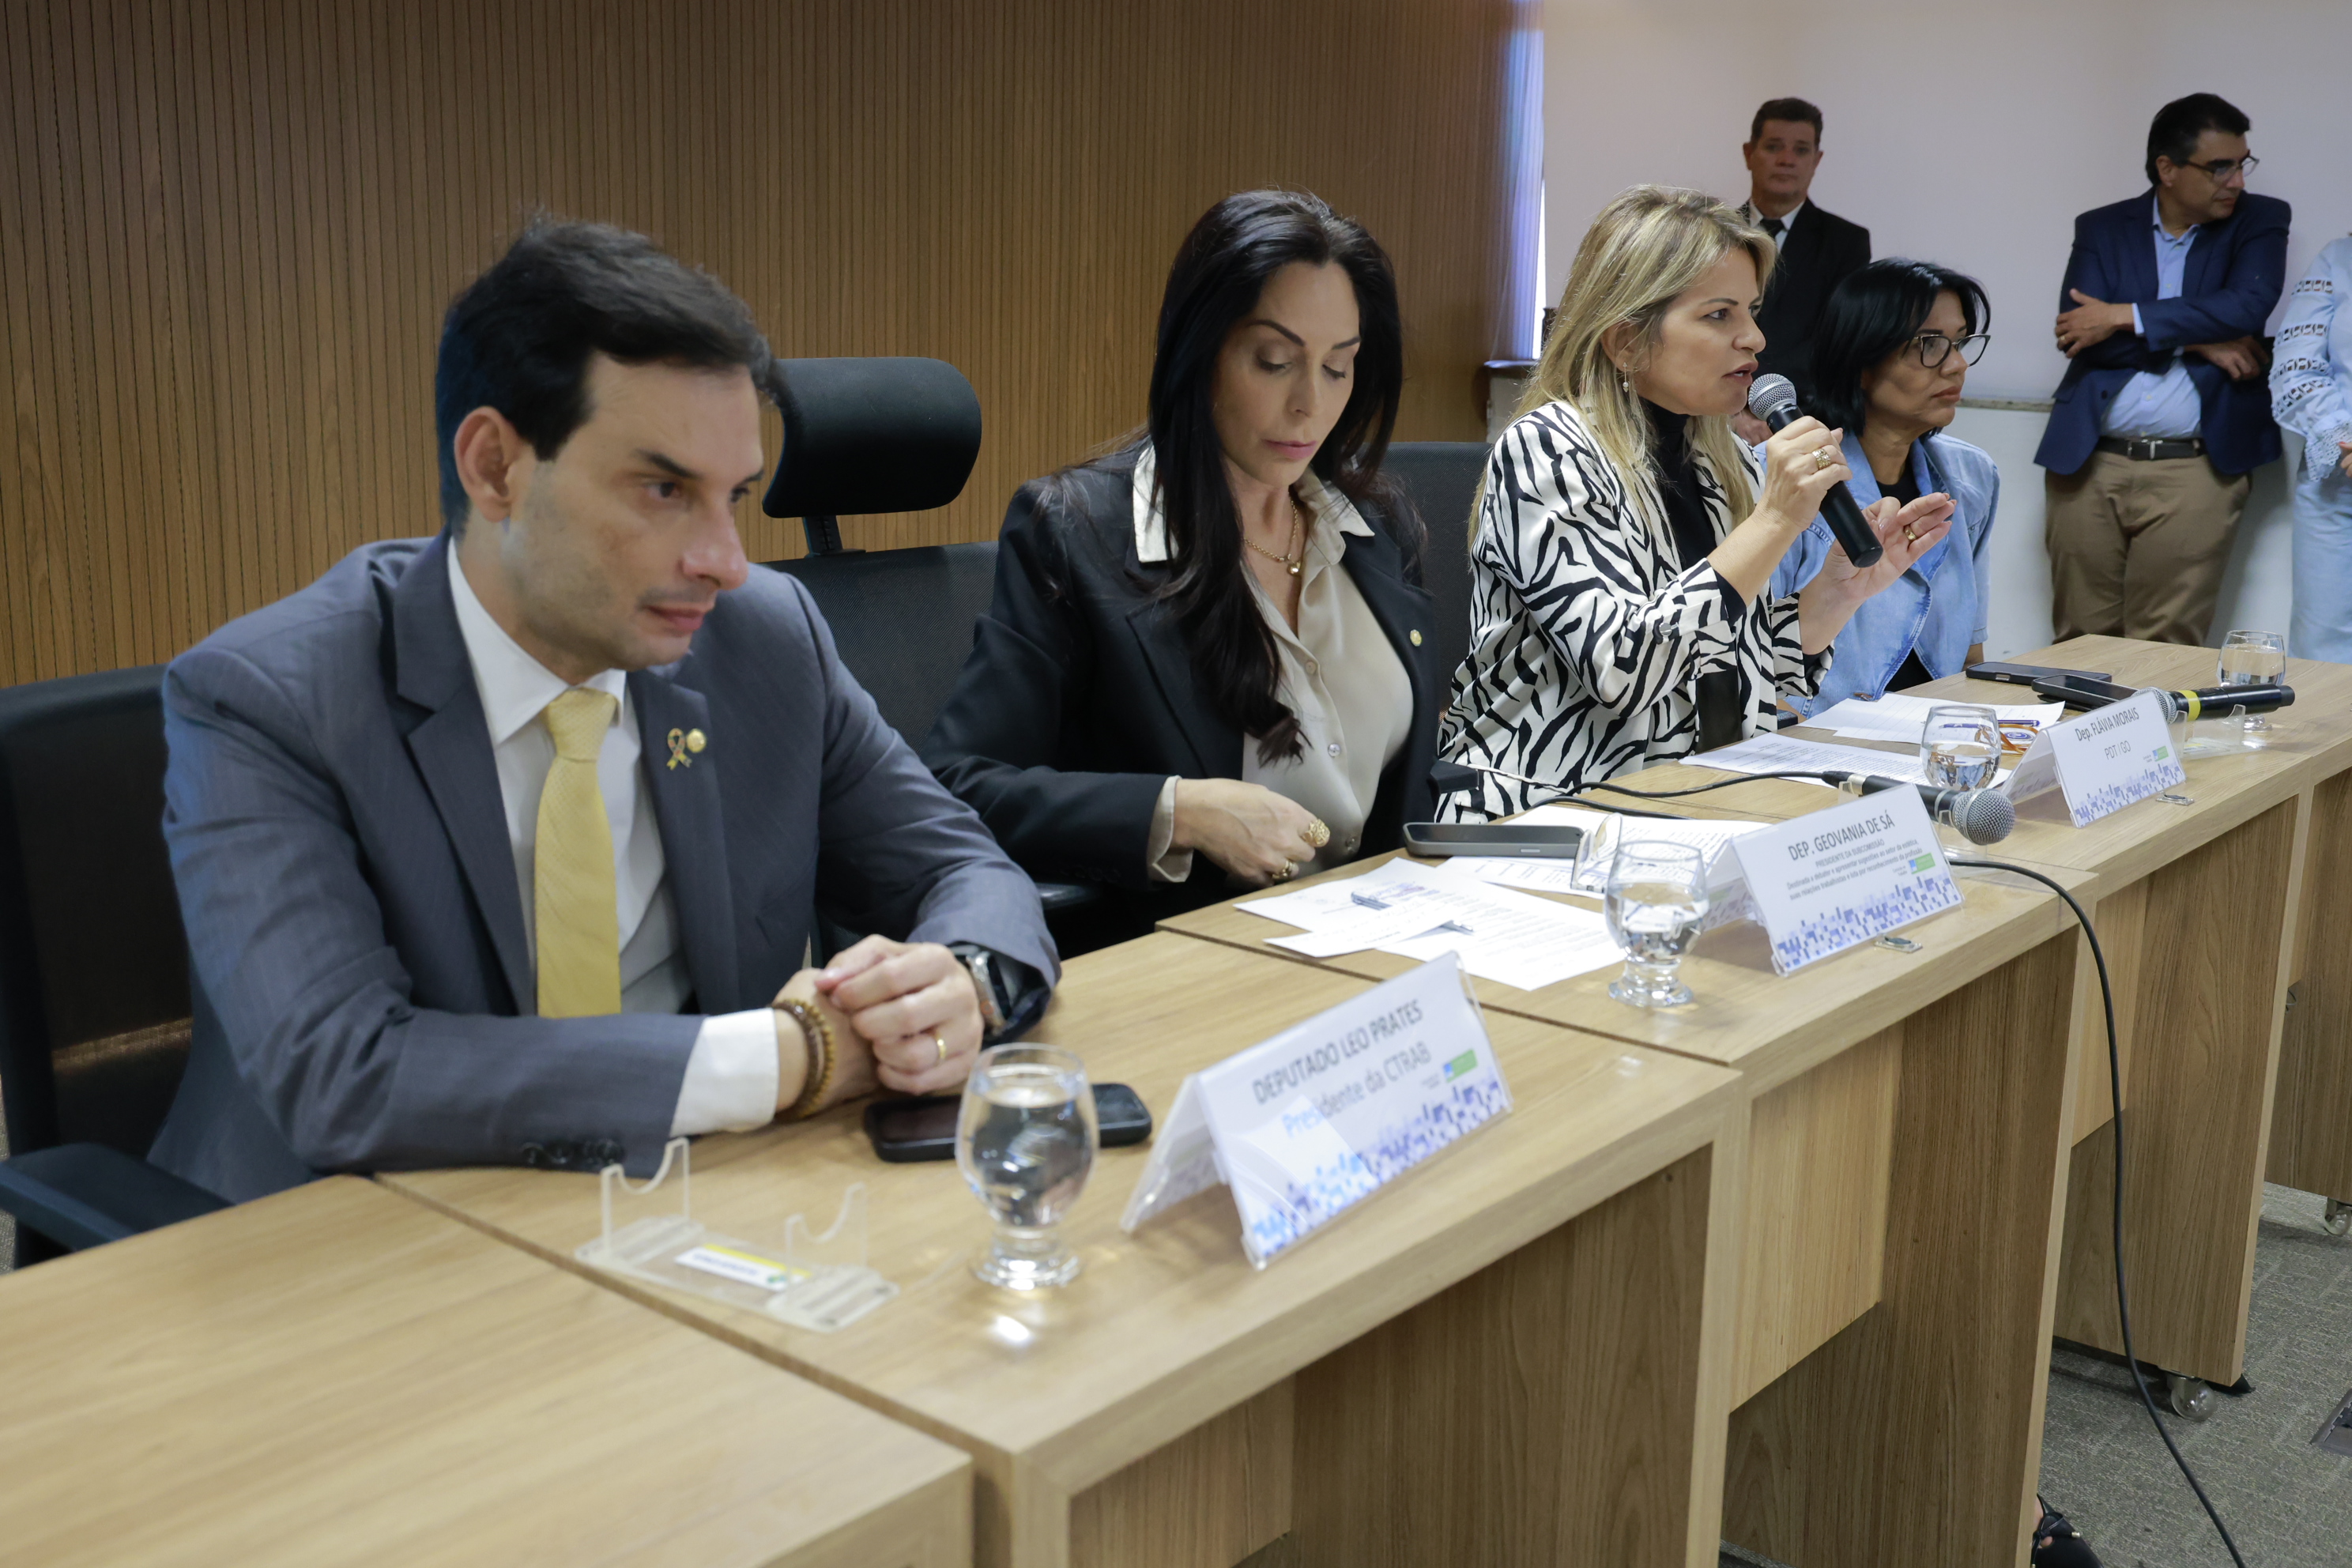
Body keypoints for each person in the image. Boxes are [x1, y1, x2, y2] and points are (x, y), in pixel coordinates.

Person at [149, 220, 1057, 1202]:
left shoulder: (766, 640)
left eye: (734, 497)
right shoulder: (269, 698)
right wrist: (790, 1054)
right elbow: (345, 1073)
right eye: (663, 489)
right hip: (352, 1234)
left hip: (685, 1204)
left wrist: (961, 982)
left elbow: (967, 870)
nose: (726, 562)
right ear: (495, 467)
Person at [924, 190, 1445, 939]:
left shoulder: (1377, 527)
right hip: (1200, 958)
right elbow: (958, 784)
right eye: (1275, 361)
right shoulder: (1075, 532)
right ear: (1198, 353)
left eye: (1338, 367)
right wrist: (1178, 811)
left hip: (1382, 943)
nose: (1310, 404)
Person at [1439, 186, 1953, 820]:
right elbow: (1624, 672)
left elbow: (1742, 672)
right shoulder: (1548, 450)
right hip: (1548, 813)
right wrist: (1775, 520)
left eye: (1752, 311)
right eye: (1719, 316)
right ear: (1626, 341)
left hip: (1695, 800)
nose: (1755, 338)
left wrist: (1837, 594)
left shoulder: (1721, 458)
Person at [2035, 92, 2291, 646]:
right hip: (2090, 463)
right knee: (2079, 643)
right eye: (2219, 167)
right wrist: (2201, 342)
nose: (2236, 181)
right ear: (2168, 169)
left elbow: (2246, 308)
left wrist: (2123, 316)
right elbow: (2080, 337)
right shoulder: (2103, 227)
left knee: (2165, 647)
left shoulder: (2261, 220)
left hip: (2196, 469)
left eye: (2242, 163)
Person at [1770, 261, 2000, 715]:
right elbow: (1759, 682)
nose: (1956, 366)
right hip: (1818, 736)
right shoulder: (1782, 474)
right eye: (1930, 345)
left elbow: (1970, 656)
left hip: (1933, 730)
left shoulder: (1973, 474)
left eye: (1960, 343)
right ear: (1860, 360)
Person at [1732, 96, 1872, 436]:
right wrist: (1732, 411)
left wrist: (1775, 412)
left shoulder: (1847, 243)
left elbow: (1838, 341)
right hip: (1716, 417)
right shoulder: (1713, 235)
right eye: (1773, 147)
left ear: (1816, 160)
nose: (1786, 160)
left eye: (1801, 150)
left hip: (1807, 419)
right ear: (1749, 154)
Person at [2271, 233, 2352, 662]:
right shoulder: (2338, 258)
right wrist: (2344, 437)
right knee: (2323, 650)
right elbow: (2295, 363)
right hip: (2338, 486)